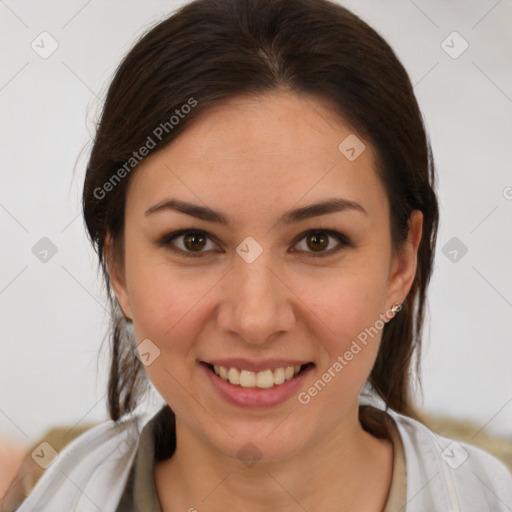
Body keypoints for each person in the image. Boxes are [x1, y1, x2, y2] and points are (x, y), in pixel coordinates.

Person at [10, 0, 512, 510]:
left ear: (401, 264)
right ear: (118, 267)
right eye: (193, 241)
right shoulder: (43, 490)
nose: (254, 319)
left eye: (319, 240)